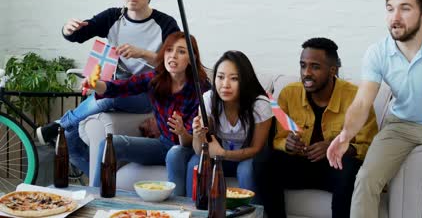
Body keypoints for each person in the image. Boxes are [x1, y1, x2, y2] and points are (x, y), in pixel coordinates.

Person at [327, 0, 422, 218]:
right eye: (390, 8)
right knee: (365, 179)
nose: (395, 17)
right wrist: (346, 135)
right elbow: (362, 103)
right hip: (401, 126)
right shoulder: (378, 52)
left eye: (405, 8)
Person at [36, 0, 180, 176]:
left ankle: (60, 123)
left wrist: (143, 53)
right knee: (70, 140)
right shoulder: (114, 16)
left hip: (148, 93)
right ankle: (102, 186)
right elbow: (79, 34)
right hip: (117, 86)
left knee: (110, 95)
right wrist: (67, 29)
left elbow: (178, 61)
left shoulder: (165, 24)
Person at [254, 38, 378, 218]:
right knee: (263, 162)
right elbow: (278, 139)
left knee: (351, 169)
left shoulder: (356, 98)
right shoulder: (289, 93)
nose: (306, 73)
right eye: (303, 66)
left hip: (336, 170)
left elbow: (369, 147)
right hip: (300, 165)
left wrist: (336, 147)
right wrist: (287, 144)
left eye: (315, 67)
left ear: (332, 70)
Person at [86, 32, 210, 190]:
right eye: (169, 50)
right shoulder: (155, 79)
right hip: (162, 145)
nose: (173, 56)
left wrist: (181, 132)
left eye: (181, 51)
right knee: (109, 144)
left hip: (187, 149)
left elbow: (192, 141)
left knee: (175, 153)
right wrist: (96, 85)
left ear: (192, 59)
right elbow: (120, 87)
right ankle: (96, 196)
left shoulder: (201, 89)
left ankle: (178, 209)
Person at [169, 51, 273, 198]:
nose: (225, 85)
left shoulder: (259, 104)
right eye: (220, 77)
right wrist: (198, 135)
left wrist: (224, 153)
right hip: (218, 158)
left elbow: (256, 149)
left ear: (245, 80)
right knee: (196, 162)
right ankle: (191, 209)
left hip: (247, 158)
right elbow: (200, 151)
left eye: (234, 78)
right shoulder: (209, 100)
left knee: (246, 169)